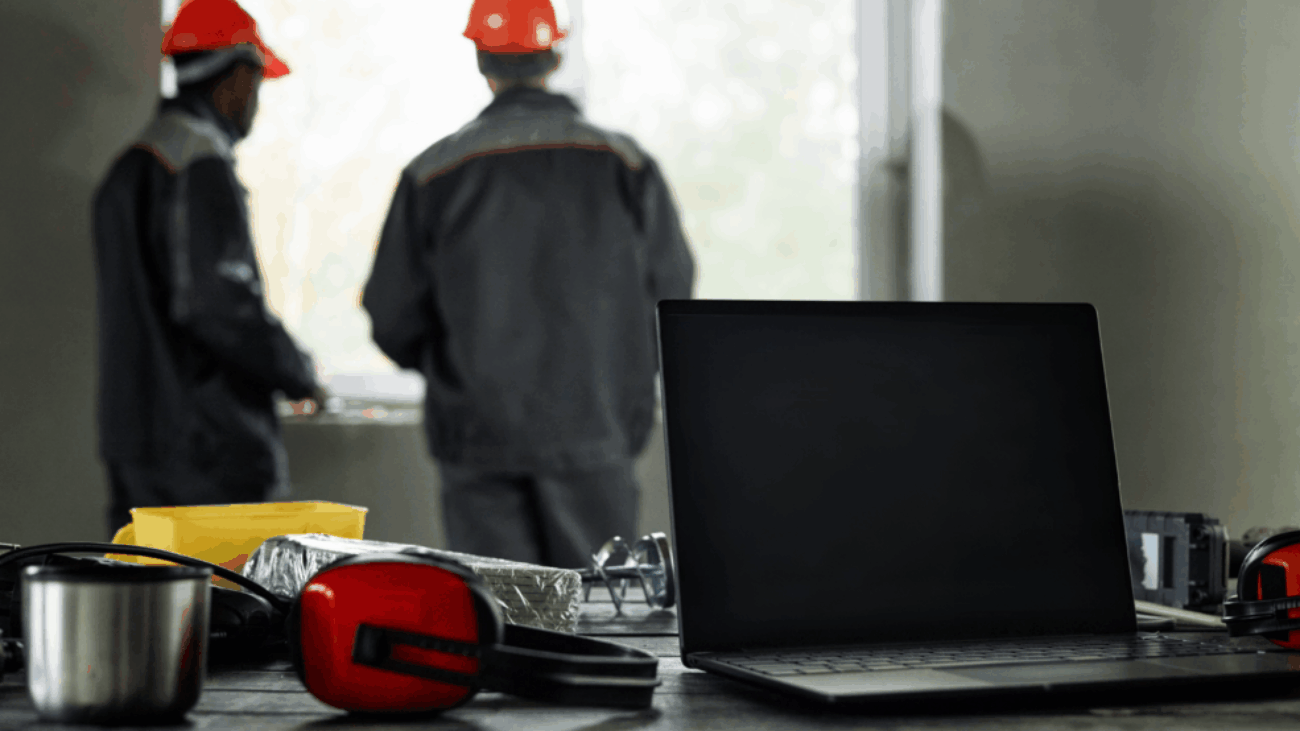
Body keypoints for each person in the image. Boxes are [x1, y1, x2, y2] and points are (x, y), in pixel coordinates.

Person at [362, 0, 696, 568]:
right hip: (596, 430)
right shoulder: (625, 164)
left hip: (478, 436)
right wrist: (622, 385)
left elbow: (392, 313)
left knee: (501, 621)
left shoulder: (433, 172)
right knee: (601, 617)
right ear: (555, 52)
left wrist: (459, 372)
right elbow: (671, 295)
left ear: (479, 59)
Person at [92, 0, 326, 538]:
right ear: (239, 77)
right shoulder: (198, 163)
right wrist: (298, 371)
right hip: (207, 452)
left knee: (142, 598)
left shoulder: (131, 167)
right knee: (227, 612)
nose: (256, 103)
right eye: (259, 83)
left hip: (137, 445)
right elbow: (220, 305)